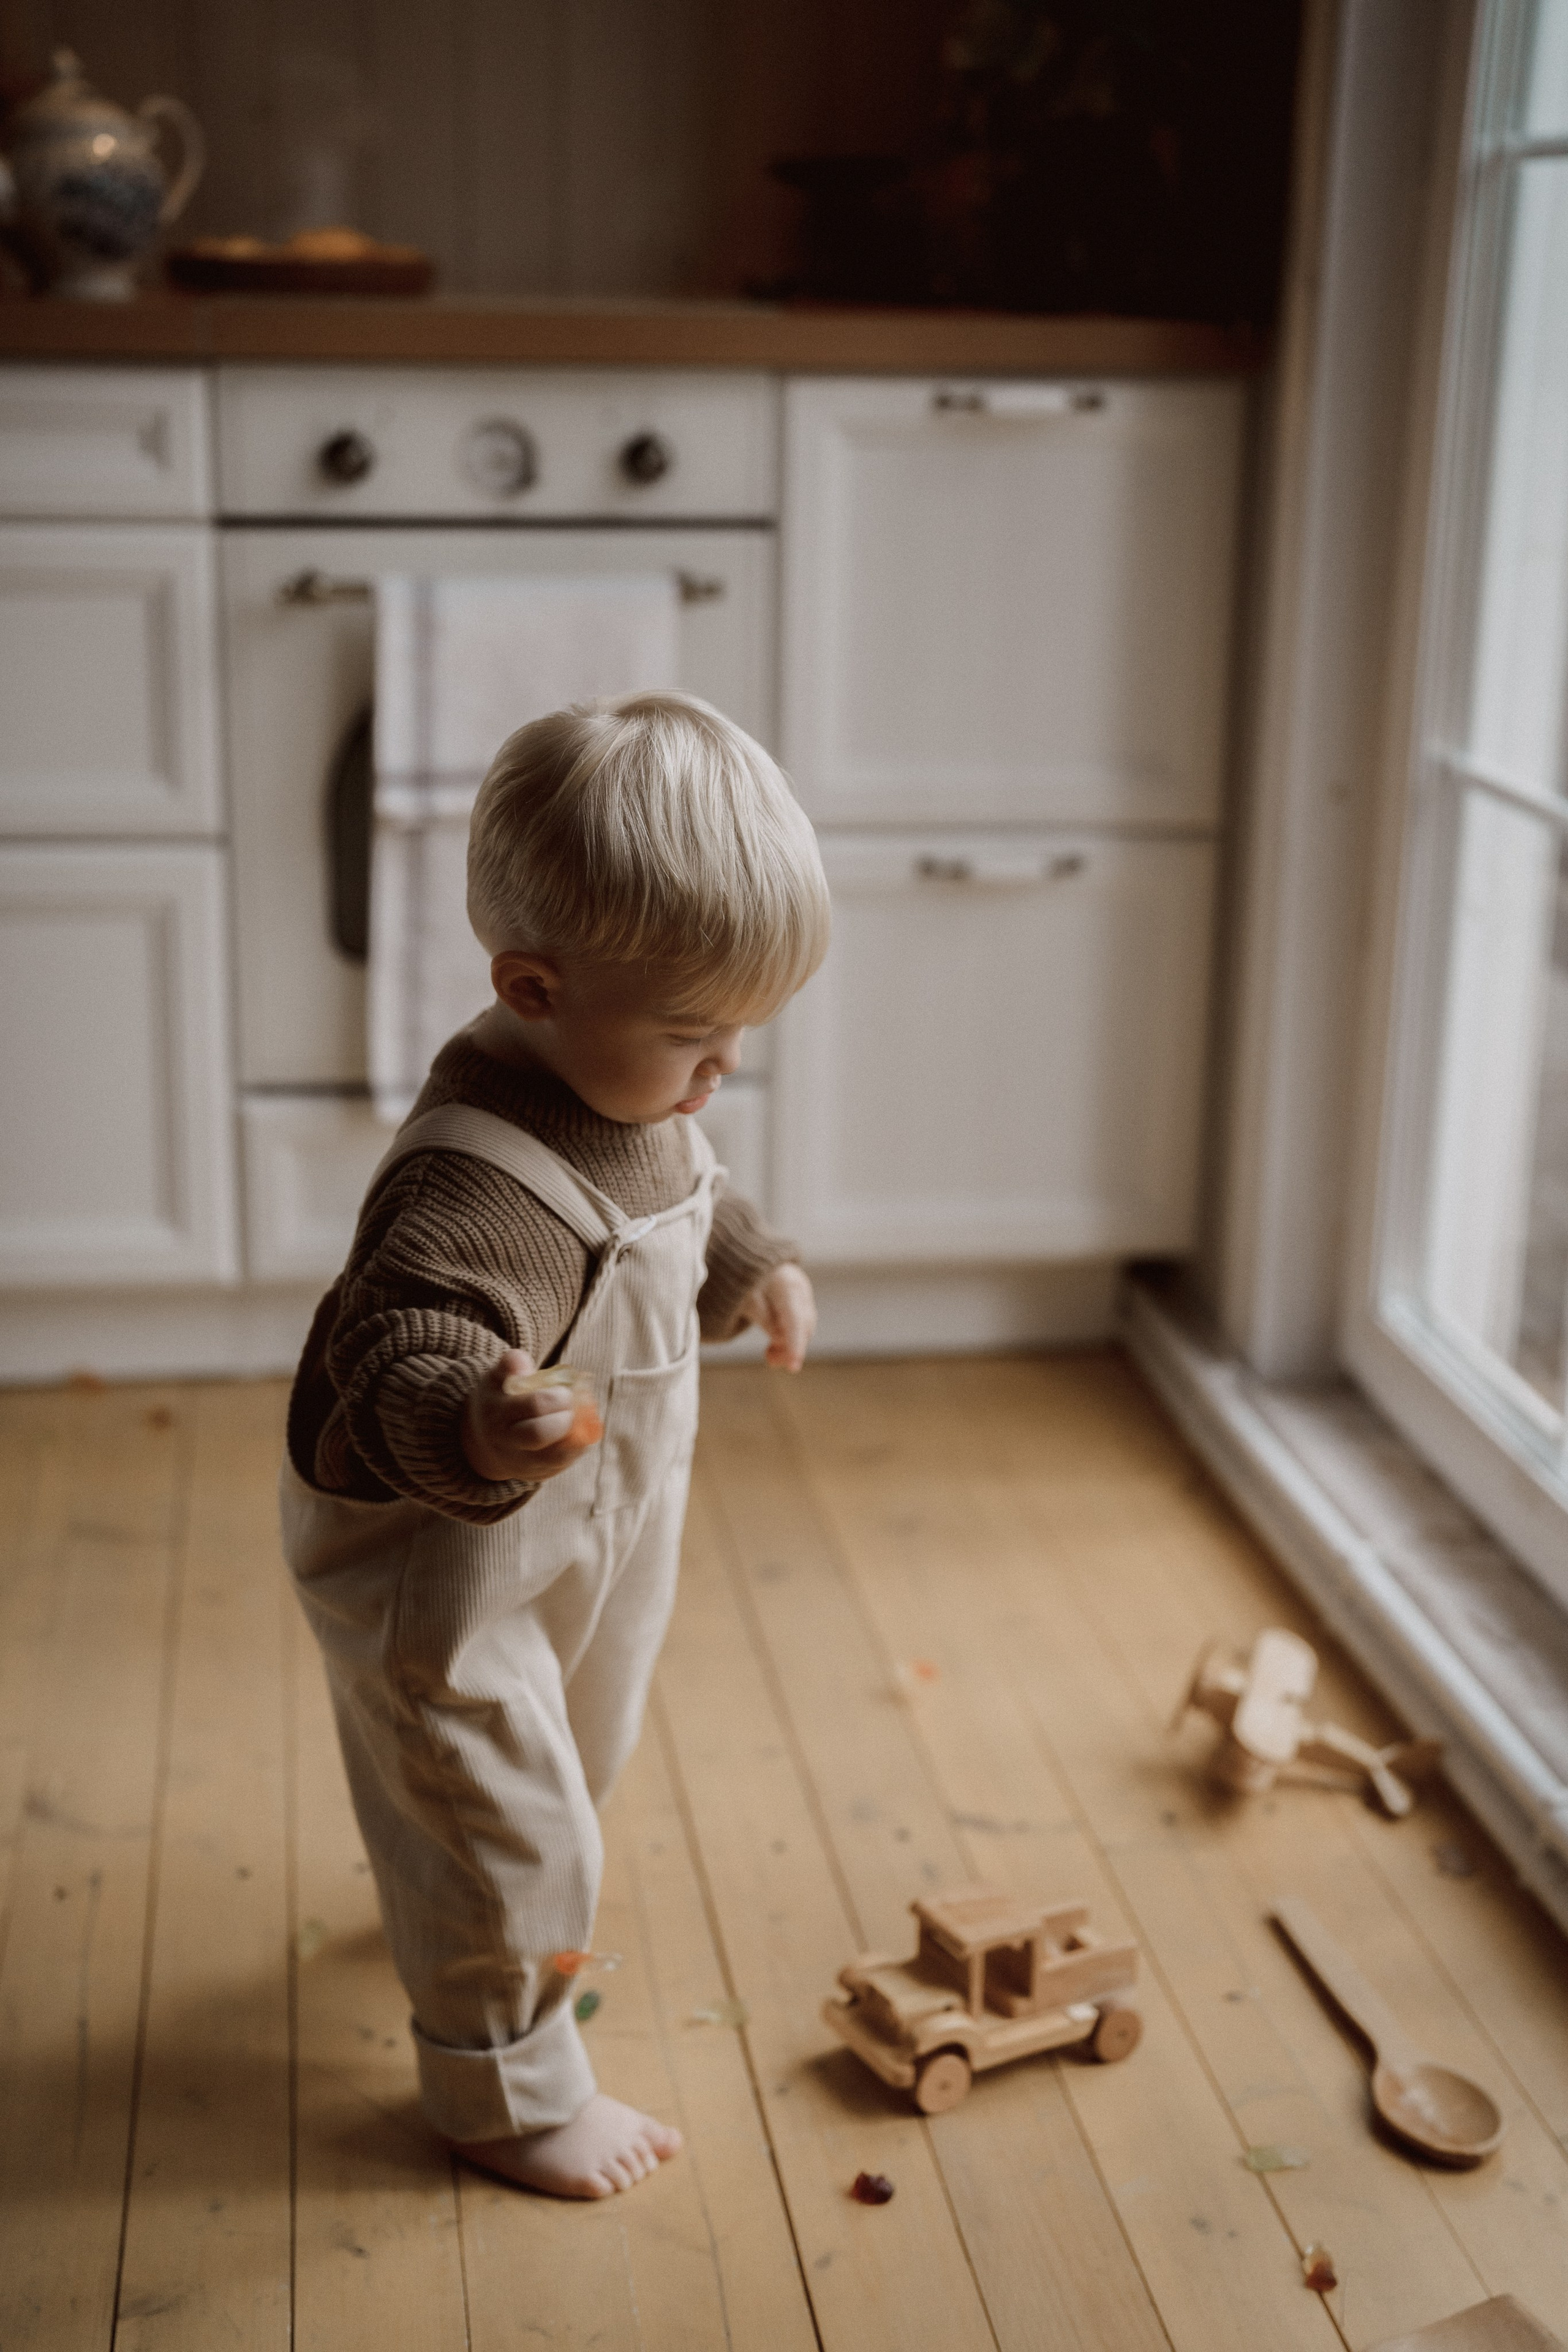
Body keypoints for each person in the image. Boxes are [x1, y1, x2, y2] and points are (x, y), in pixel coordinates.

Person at [281, 690, 829, 2199]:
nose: (718, 1071)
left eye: (739, 1039)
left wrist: (749, 1262)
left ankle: (441, 1893)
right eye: (696, 1038)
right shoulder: (474, 1188)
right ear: (532, 984)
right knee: (509, 1825)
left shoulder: (623, 1076)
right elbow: (392, 1341)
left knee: (574, 1759)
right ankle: (501, 2093)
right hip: (440, 1545)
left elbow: (684, 1187)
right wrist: (469, 1413)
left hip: (590, 1530)